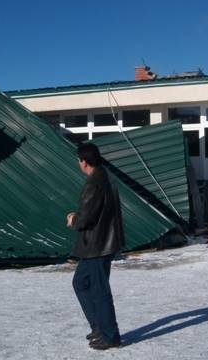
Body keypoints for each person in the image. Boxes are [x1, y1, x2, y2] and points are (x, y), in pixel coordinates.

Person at [66, 143, 124, 350]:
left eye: (79, 159)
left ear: (84, 161)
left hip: (97, 246)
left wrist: (75, 219)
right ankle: (99, 327)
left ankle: (110, 335)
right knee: (80, 283)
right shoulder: (105, 177)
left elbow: (87, 218)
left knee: (99, 290)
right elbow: (96, 211)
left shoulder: (94, 183)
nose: (78, 163)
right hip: (100, 244)